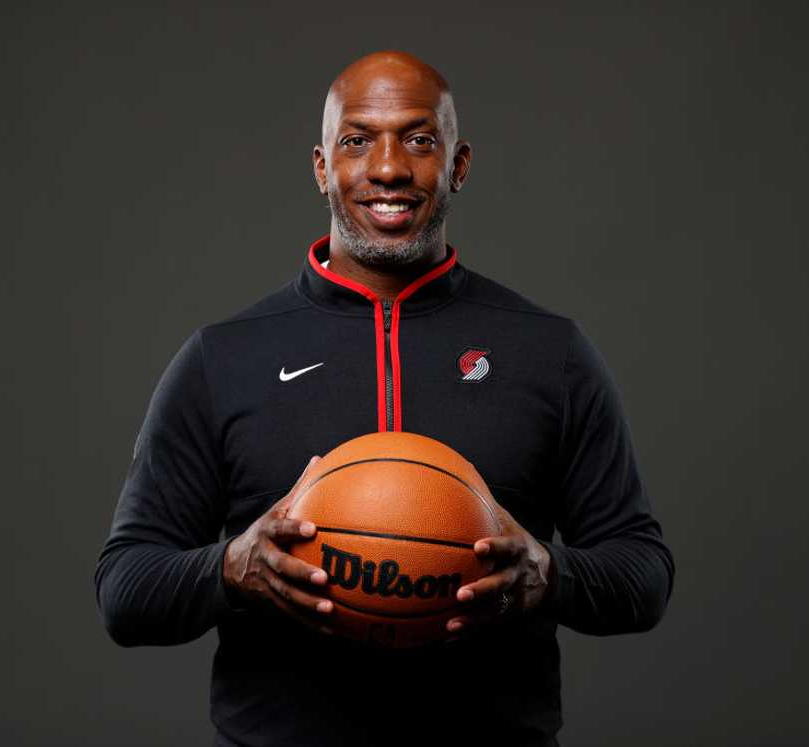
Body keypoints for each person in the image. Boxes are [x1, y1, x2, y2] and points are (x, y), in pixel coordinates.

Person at [94, 50, 674, 747]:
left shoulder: (550, 352)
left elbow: (644, 573)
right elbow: (124, 590)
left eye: (420, 140)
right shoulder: (224, 357)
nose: (390, 168)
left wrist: (551, 574)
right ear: (321, 167)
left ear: (458, 165)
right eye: (358, 140)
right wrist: (231, 567)